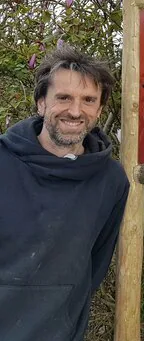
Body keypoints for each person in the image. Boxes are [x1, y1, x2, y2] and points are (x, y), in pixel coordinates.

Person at [0, 46, 130, 341]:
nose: (75, 111)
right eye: (63, 98)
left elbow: (94, 266)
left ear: (99, 109)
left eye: (88, 100)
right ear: (41, 103)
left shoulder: (111, 182)